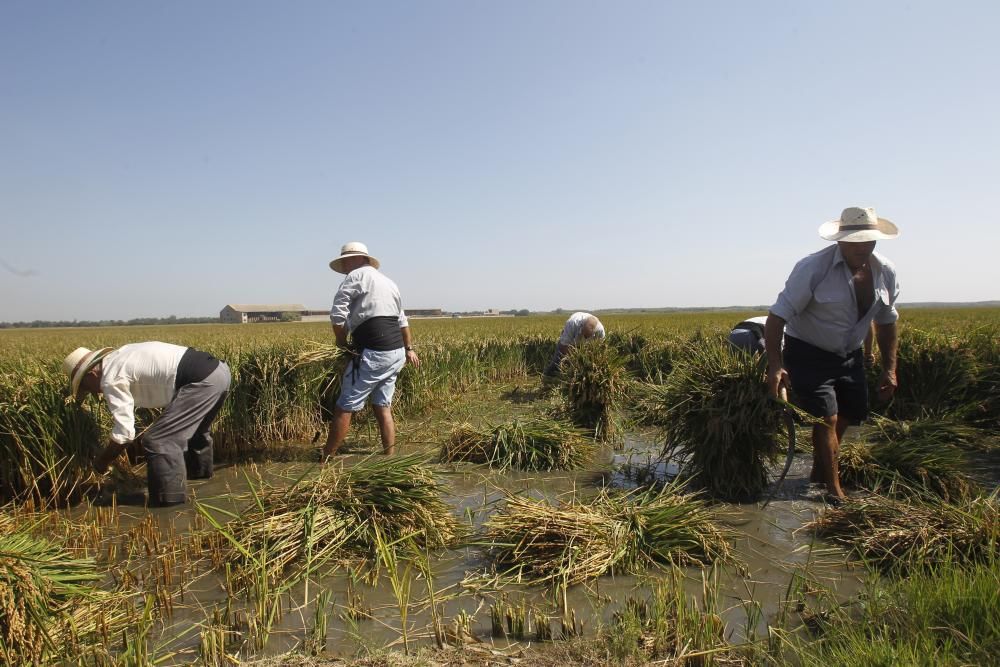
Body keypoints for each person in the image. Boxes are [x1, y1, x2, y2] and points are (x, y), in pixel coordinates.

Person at [764, 207, 900, 502]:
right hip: (808, 351)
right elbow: (776, 318)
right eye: (855, 241)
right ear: (840, 240)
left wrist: (890, 369)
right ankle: (834, 491)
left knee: (849, 414)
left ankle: (819, 469)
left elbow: (886, 321)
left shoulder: (884, 272)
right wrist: (776, 365)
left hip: (849, 355)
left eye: (869, 241)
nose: (862, 247)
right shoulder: (813, 268)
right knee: (826, 416)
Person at [64, 342, 231, 506]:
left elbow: (124, 434)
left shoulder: (110, 377)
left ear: (92, 374)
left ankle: (170, 505)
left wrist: (102, 461)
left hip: (201, 381)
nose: (93, 392)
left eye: (86, 387)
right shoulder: (119, 356)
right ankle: (202, 484)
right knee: (196, 432)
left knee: (159, 440)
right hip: (219, 371)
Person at [323, 241, 420, 457]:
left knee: (344, 406)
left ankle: (324, 460)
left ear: (358, 259)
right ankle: (390, 458)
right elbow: (402, 321)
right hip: (395, 353)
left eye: (346, 262)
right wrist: (408, 349)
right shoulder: (389, 282)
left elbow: (337, 316)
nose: (344, 268)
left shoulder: (355, 277)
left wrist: (342, 343)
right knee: (382, 406)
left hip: (374, 352)